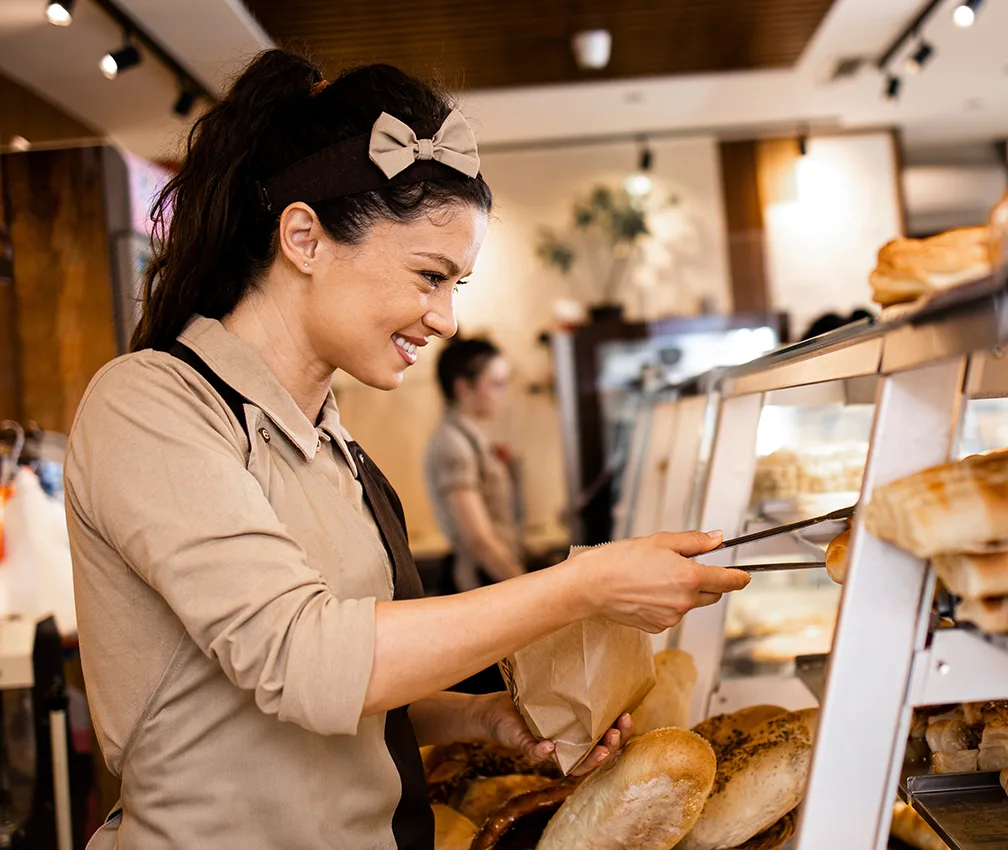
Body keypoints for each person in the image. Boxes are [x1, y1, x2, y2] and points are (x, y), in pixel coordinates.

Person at [62, 50, 749, 850]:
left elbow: (347, 693)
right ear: (304, 238)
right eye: (430, 276)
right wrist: (584, 585)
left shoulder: (331, 440)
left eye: (455, 285)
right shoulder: (151, 404)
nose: (447, 318)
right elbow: (305, 660)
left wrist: (478, 715)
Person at [424, 337, 526, 593]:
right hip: (482, 579)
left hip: (494, 575)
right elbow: (479, 540)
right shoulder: (453, 445)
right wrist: (529, 589)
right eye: (497, 385)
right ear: (463, 388)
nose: (505, 394)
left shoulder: (469, 438)